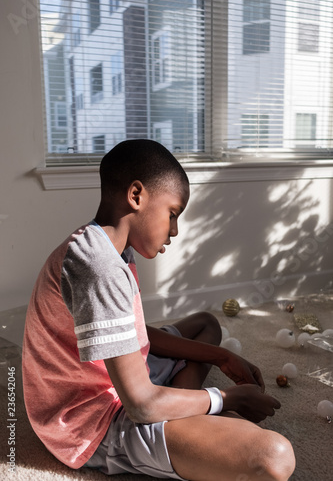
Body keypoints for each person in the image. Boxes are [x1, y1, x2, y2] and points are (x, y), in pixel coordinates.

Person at [23, 139, 295, 481]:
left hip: (122, 377)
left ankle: (185, 408)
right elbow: (141, 404)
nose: (175, 230)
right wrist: (226, 398)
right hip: (92, 419)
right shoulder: (97, 266)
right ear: (137, 195)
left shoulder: (107, 246)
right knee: (274, 457)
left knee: (206, 325)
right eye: (173, 214)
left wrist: (220, 357)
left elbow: (132, 334)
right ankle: (190, 417)